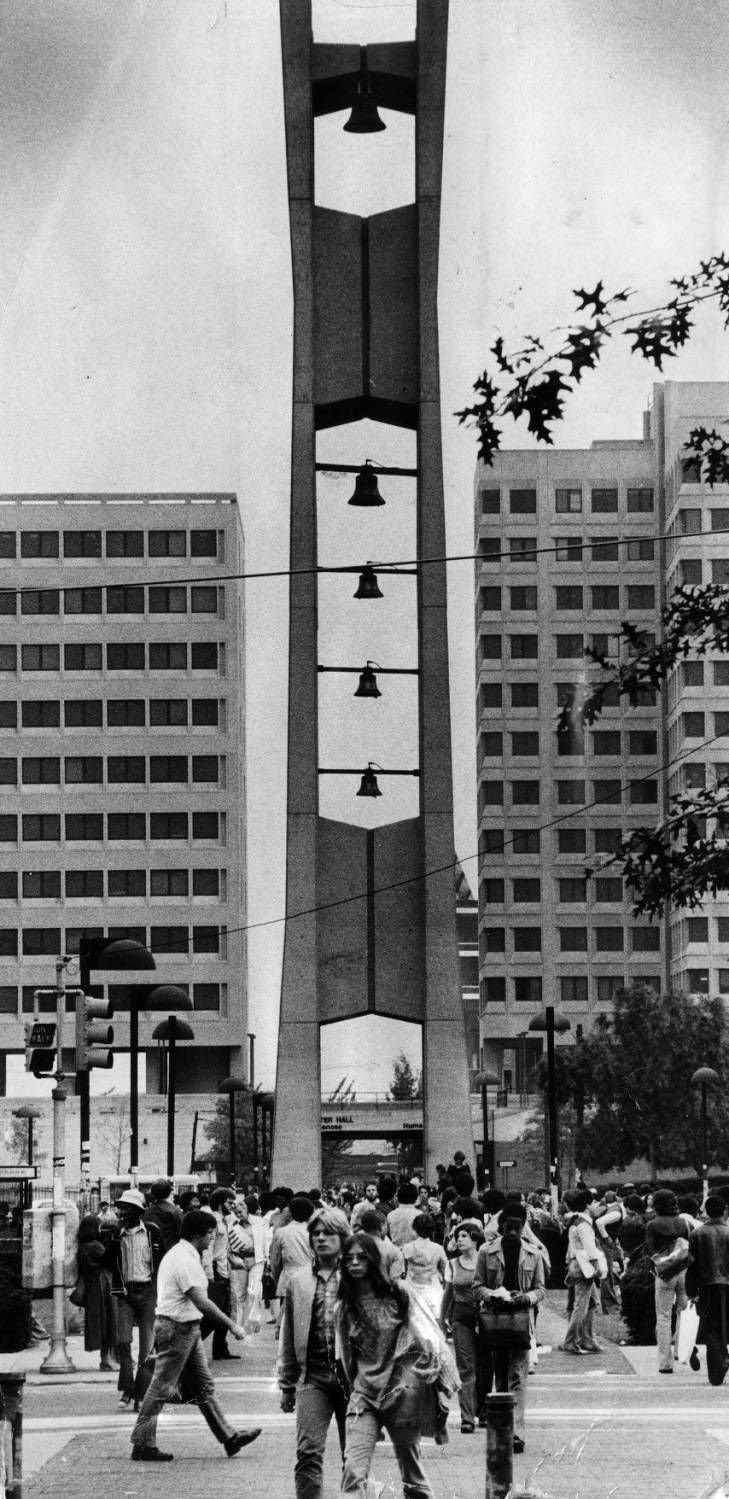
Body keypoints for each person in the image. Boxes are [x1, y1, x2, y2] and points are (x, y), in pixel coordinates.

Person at [129, 1209, 260, 1462]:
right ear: (197, 1234)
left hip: (186, 1327)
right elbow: (201, 1301)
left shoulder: (185, 1254)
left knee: (204, 1386)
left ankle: (229, 1437)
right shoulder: (183, 1259)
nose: (212, 1238)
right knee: (161, 1387)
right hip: (177, 1328)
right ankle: (142, 1442)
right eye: (210, 1233)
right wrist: (232, 1325)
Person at [336, 1232, 454, 1498]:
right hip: (364, 1397)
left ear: (374, 1261)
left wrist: (432, 1370)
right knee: (353, 1471)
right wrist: (361, 1386)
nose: (354, 1263)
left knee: (412, 1473)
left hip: (401, 1395)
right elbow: (347, 1360)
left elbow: (426, 1336)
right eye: (349, 1258)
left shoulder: (399, 1293)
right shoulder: (343, 1307)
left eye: (361, 1258)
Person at [277, 1206, 351, 1499]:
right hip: (313, 1377)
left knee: (354, 1456)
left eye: (328, 1233)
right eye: (316, 1233)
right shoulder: (298, 1281)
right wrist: (287, 1385)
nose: (320, 1238)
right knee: (308, 1453)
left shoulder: (361, 1277)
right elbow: (289, 1335)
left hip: (353, 1381)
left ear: (343, 1237)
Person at [472, 1203, 545, 1454]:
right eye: (509, 1227)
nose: (513, 1232)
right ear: (501, 1225)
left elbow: (540, 1289)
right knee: (501, 1377)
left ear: (523, 1226)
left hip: (521, 1320)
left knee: (518, 1377)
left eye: (518, 1227)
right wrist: (493, 1295)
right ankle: (502, 1432)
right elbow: (477, 1286)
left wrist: (527, 1298)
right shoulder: (486, 1251)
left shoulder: (533, 1254)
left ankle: (516, 1433)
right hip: (495, 1320)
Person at [102, 1188, 165, 1409]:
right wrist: (113, 1239)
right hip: (125, 1293)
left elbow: (162, 1260)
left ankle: (141, 1393)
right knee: (123, 1341)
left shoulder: (152, 1232)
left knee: (147, 1347)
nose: (122, 1213)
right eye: (121, 1208)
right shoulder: (117, 1234)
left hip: (147, 1291)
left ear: (138, 1211)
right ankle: (127, 1388)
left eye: (127, 1209)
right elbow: (106, 1262)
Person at [441, 1219, 484, 1433]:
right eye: (457, 1237)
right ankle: (467, 1417)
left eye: (464, 1236)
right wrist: (441, 1320)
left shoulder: (485, 1261)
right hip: (461, 1316)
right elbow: (447, 1294)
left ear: (475, 1239)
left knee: (485, 1366)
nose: (459, 1240)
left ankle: (483, 1411)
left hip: (484, 1316)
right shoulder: (452, 1264)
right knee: (466, 1367)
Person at [645, 1188, 692, 1374]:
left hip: (665, 1274)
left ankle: (665, 1363)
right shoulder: (684, 1223)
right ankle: (681, 1351)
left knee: (664, 1316)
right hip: (684, 1271)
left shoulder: (652, 1225)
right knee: (683, 1313)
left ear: (656, 1204)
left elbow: (649, 1251)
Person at [686, 1194, 729, 1385]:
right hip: (727, 1286)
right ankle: (723, 1356)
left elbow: (692, 1266)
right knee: (725, 1324)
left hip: (706, 1286)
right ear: (724, 1210)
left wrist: (691, 1291)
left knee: (710, 1326)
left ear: (705, 1211)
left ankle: (716, 1369)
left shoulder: (697, 1234)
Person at [559, 1189, 605, 1356]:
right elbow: (590, 1248)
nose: (597, 1206)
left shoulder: (576, 1222)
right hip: (584, 1268)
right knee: (582, 1306)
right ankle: (571, 1341)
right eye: (594, 1203)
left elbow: (571, 1247)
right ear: (587, 1205)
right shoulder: (584, 1225)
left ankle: (587, 1339)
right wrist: (597, 1267)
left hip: (576, 1266)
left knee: (592, 1302)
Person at [76, 1214, 118, 1371]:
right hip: (103, 1286)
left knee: (103, 1323)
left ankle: (108, 1359)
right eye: (99, 1227)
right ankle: (107, 1360)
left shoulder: (83, 1246)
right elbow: (112, 1260)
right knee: (109, 1323)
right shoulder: (94, 1246)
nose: (101, 1230)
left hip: (94, 1287)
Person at [401, 1213, 447, 1322]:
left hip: (412, 1290)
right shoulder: (438, 1249)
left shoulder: (407, 1248)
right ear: (432, 1230)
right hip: (433, 1290)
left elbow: (403, 1270)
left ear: (415, 1229)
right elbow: (446, 1270)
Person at [357, 1209, 405, 1282]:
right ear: (381, 1226)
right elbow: (395, 1282)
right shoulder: (394, 1252)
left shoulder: (353, 1246)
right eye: (386, 1225)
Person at [144, 1179, 183, 1253]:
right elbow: (183, 1233)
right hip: (172, 1253)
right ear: (168, 1193)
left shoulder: (146, 1212)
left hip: (152, 1253)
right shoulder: (175, 1211)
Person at [386, 1182, 420, 1247]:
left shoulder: (390, 1215)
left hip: (396, 1250)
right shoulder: (420, 1215)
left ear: (398, 1197)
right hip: (414, 1250)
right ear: (415, 1198)